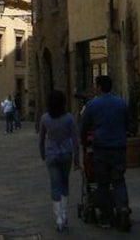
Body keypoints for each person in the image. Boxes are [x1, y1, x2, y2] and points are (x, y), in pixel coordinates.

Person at [81, 75, 132, 231]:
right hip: (118, 147)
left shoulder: (92, 105)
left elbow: (84, 127)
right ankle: (122, 208)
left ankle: (106, 217)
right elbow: (129, 124)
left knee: (102, 183)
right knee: (118, 180)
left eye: (96, 85)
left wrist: (84, 141)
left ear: (100, 87)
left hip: (101, 148)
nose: (95, 88)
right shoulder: (122, 103)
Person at [39, 89, 81, 232]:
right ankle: (64, 213)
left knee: (55, 185)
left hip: (52, 155)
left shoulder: (45, 118)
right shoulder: (69, 118)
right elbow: (75, 140)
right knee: (64, 184)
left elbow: (41, 138)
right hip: (66, 154)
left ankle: (58, 218)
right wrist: (77, 159)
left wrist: (42, 153)